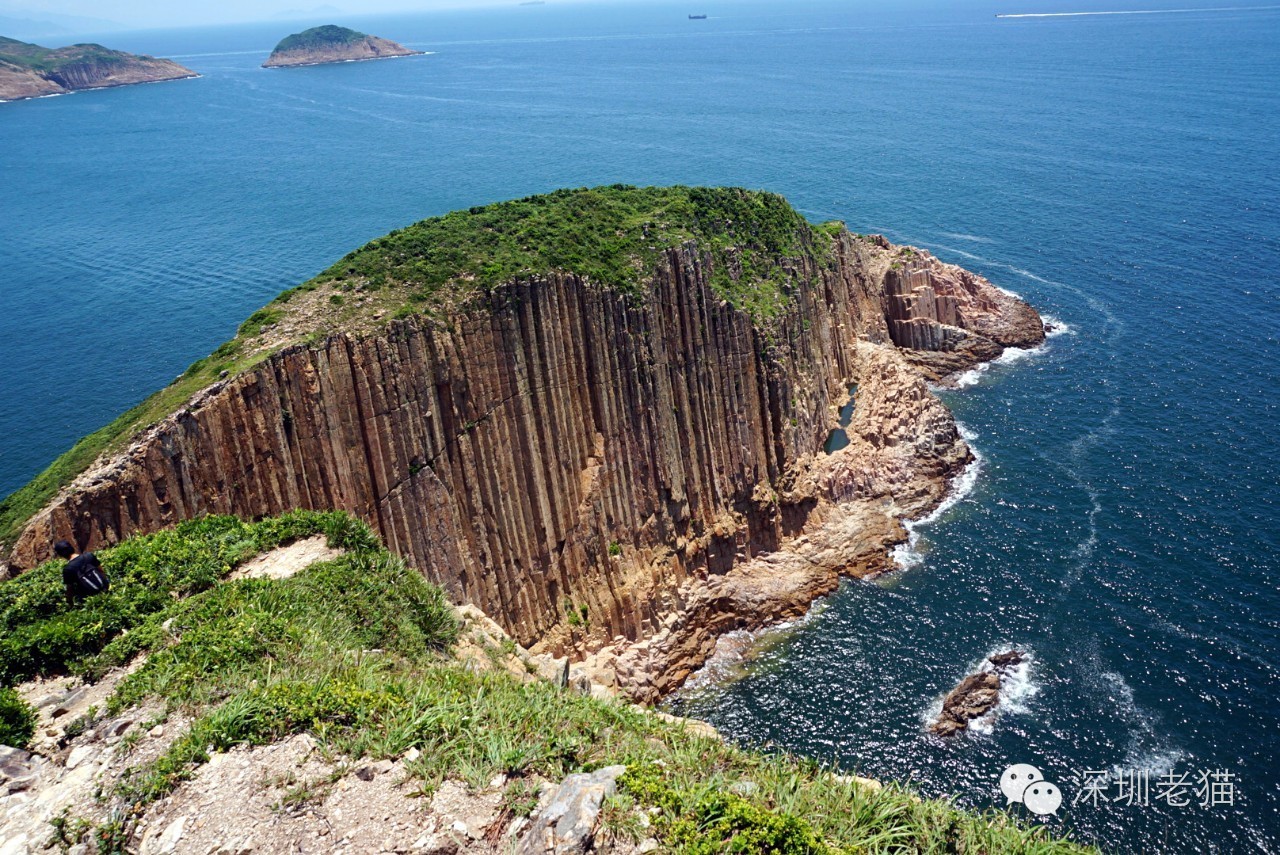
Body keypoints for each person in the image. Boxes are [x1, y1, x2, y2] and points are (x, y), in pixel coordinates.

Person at [54, 539, 110, 605]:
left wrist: (69, 603)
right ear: (72, 548)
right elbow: (101, 571)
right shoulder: (89, 555)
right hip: (105, 588)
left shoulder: (68, 569)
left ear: (61, 555)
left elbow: (70, 589)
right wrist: (106, 586)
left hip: (90, 597)